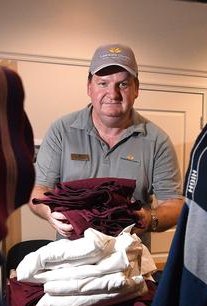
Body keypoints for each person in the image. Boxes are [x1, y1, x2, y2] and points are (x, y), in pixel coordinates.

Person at [28, 43, 183, 248]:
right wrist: (50, 214)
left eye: (123, 84)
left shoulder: (157, 141)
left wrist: (148, 219)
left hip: (129, 263)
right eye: (103, 83)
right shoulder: (62, 131)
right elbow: (39, 189)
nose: (113, 93)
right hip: (72, 260)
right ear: (89, 87)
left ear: (136, 89)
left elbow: (174, 204)